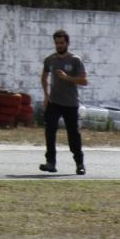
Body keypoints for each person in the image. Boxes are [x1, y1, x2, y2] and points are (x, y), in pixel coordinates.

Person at [40, 29, 88, 175]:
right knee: (50, 131)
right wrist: (46, 95)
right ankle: (51, 163)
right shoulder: (50, 60)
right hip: (54, 102)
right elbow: (44, 77)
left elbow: (84, 81)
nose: (59, 45)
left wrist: (67, 77)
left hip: (71, 103)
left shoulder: (75, 60)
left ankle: (79, 163)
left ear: (67, 43)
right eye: (57, 43)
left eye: (61, 43)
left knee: (73, 134)